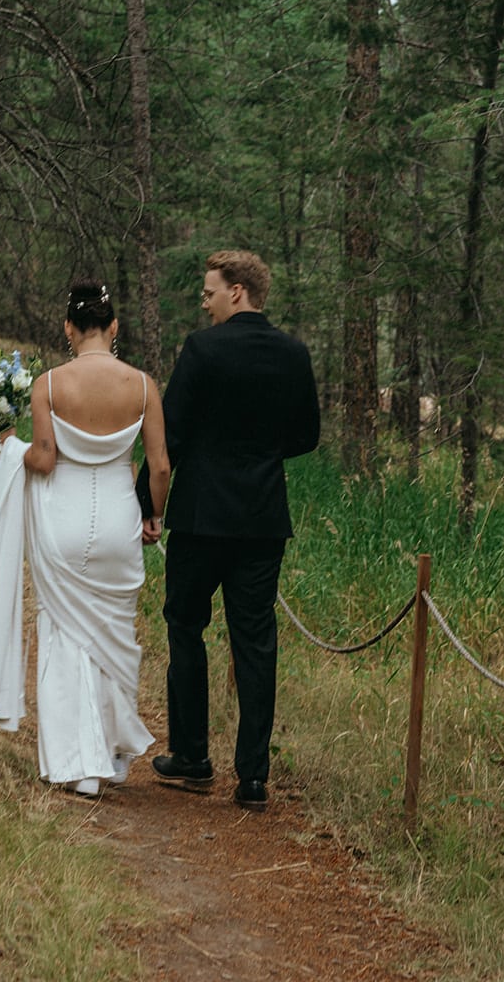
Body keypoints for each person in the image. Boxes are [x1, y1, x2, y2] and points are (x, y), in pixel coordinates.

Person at [148, 249, 319, 809]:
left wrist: (147, 502)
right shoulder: (294, 353)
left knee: (185, 625)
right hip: (263, 517)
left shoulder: (202, 348)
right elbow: (306, 437)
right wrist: (261, 454)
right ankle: (252, 777)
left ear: (237, 292)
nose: (205, 301)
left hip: (200, 516)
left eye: (209, 291)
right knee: (255, 641)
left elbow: (167, 435)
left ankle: (193, 757)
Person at [24, 279, 170, 796]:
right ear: (114, 327)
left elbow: (43, 458)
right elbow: (160, 466)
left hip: (62, 523)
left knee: (66, 638)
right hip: (117, 521)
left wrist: (6, 450)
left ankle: (78, 764)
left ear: (68, 328)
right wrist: (153, 513)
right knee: (114, 636)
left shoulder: (48, 384)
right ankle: (112, 754)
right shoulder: (144, 386)